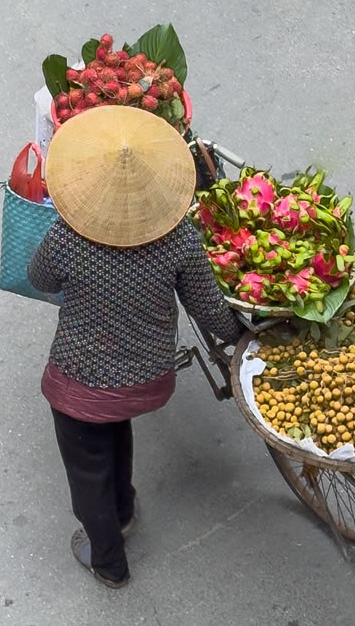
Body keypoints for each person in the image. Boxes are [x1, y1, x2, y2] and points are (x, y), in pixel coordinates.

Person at [28, 106, 243, 589]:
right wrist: (244, 339)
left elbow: (38, 278)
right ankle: (123, 511)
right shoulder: (180, 239)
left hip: (80, 384)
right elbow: (211, 313)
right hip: (145, 381)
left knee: (87, 467)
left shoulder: (66, 236)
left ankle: (108, 560)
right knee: (115, 431)